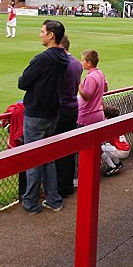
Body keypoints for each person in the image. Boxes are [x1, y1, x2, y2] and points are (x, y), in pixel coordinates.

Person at [18, 19, 69, 214]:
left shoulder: (43, 59)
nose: (40, 35)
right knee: (49, 157)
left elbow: (23, 82)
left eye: (42, 32)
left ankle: (30, 202)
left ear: (51, 35)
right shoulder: (63, 58)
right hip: (53, 111)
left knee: (33, 158)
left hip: (37, 112)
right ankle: (53, 199)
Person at [54, 35, 83, 198]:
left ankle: (59, 187)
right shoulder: (77, 64)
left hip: (62, 110)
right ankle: (67, 184)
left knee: (58, 150)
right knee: (69, 149)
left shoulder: (62, 64)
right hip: (73, 108)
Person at [77, 50, 108, 127]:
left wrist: (79, 84)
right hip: (98, 113)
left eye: (83, 60)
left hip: (87, 115)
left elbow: (87, 96)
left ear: (89, 63)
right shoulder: (100, 73)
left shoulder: (90, 77)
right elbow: (105, 88)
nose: (81, 63)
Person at [100, 106, 131, 177]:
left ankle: (112, 167)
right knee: (107, 146)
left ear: (107, 116)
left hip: (121, 150)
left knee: (101, 149)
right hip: (125, 148)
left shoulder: (108, 125)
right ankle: (117, 163)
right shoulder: (117, 122)